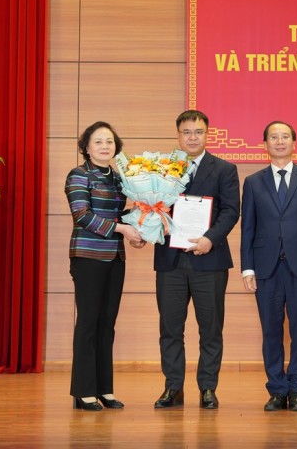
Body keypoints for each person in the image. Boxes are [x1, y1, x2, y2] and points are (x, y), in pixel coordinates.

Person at [153, 109, 240, 410]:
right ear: (178, 135)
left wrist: (209, 239)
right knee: (170, 328)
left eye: (198, 132)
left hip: (210, 260)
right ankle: (173, 388)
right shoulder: (161, 169)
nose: (192, 137)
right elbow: (152, 207)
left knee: (211, 328)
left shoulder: (224, 169)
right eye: (187, 132)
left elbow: (230, 211)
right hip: (170, 260)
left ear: (207, 134)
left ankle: (208, 388)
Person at [240, 120, 297, 412]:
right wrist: (247, 268)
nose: (279, 142)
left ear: (294, 143)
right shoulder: (253, 182)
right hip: (266, 269)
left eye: (285, 137)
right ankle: (277, 390)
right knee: (271, 332)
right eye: (273, 137)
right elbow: (248, 229)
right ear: (264, 145)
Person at [65, 121, 145, 411]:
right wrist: (123, 230)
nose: (104, 146)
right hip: (87, 257)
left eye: (109, 141)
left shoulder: (119, 178)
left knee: (107, 325)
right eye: (98, 141)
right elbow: (82, 216)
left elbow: (118, 215)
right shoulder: (78, 175)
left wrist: (141, 222)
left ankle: (104, 389)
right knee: (88, 323)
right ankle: (83, 391)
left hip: (115, 257)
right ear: (86, 147)